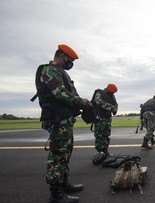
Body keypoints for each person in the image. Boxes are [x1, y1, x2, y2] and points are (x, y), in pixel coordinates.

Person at [36, 44, 91, 203]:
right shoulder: (50, 71)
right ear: (61, 56)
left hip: (64, 119)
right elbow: (60, 94)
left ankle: (64, 183)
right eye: (70, 59)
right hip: (57, 119)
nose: (71, 63)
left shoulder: (60, 73)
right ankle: (56, 194)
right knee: (58, 156)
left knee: (65, 154)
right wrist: (82, 102)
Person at [92, 84, 118, 156]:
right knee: (99, 136)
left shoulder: (112, 96)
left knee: (106, 135)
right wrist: (111, 107)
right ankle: (99, 152)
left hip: (107, 118)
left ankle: (105, 151)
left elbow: (115, 104)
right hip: (99, 118)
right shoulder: (99, 92)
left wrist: (115, 109)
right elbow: (98, 102)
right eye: (112, 92)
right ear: (108, 89)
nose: (112, 94)